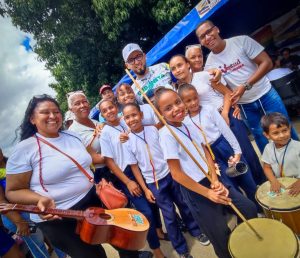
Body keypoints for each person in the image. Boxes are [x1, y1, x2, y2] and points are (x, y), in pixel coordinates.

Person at [5, 94, 143, 258]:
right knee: (92, 255)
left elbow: (92, 159)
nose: (52, 116)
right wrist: (38, 199)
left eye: (56, 111)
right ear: (32, 119)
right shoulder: (24, 150)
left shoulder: (72, 136)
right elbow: (12, 191)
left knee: (123, 240)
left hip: (92, 201)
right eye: (45, 112)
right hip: (59, 217)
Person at [155, 87, 257, 258]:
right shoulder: (166, 135)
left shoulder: (188, 122)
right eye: (168, 108)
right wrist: (208, 193)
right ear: (160, 114)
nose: (176, 109)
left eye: (177, 102)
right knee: (221, 237)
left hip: (211, 179)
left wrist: (215, 179)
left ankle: (241, 241)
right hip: (196, 190)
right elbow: (176, 175)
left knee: (248, 208)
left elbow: (206, 151)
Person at [196, 20, 298, 153]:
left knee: (285, 128)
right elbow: (220, 88)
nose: (207, 37)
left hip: (266, 94)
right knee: (261, 138)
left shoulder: (241, 41)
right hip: (245, 106)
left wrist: (245, 85)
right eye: (203, 36)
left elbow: (267, 63)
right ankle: (275, 169)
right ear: (201, 42)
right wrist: (233, 102)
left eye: (209, 32)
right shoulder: (210, 65)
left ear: (217, 29)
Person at [122, 103, 209, 258]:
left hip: (170, 174)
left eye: (134, 115)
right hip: (153, 183)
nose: (132, 119)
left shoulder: (154, 129)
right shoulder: (127, 141)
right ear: (124, 120)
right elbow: (135, 168)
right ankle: (181, 249)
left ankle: (196, 230)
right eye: (127, 117)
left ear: (141, 115)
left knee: (184, 204)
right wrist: (146, 189)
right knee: (168, 215)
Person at [169, 54, 265, 184]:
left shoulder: (203, 76)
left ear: (187, 64)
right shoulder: (178, 89)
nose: (178, 70)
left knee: (245, 151)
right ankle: (248, 186)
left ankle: (262, 183)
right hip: (210, 124)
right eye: (173, 68)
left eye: (180, 65)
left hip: (226, 114)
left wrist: (225, 113)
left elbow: (227, 92)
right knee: (230, 158)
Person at [99, 99, 165, 258]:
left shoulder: (126, 121)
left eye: (111, 107)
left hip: (141, 167)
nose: (109, 111)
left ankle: (159, 232)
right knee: (145, 212)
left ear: (116, 108)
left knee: (153, 202)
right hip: (126, 174)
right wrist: (128, 182)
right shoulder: (105, 133)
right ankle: (156, 249)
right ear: (102, 115)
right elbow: (109, 161)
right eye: (105, 110)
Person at [178, 83, 259, 208]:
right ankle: (245, 210)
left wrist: (237, 152)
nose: (193, 103)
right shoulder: (185, 122)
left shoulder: (209, 109)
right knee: (228, 183)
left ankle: (259, 207)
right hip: (211, 155)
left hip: (223, 146)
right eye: (188, 101)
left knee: (244, 177)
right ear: (182, 103)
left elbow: (225, 130)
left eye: (195, 98)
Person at [261, 112, 300, 195]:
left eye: (284, 130)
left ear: (289, 128)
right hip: (282, 183)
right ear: (267, 135)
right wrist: (274, 181)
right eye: (276, 133)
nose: (282, 135)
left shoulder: (298, 147)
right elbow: (267, 167)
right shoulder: (268, 148)